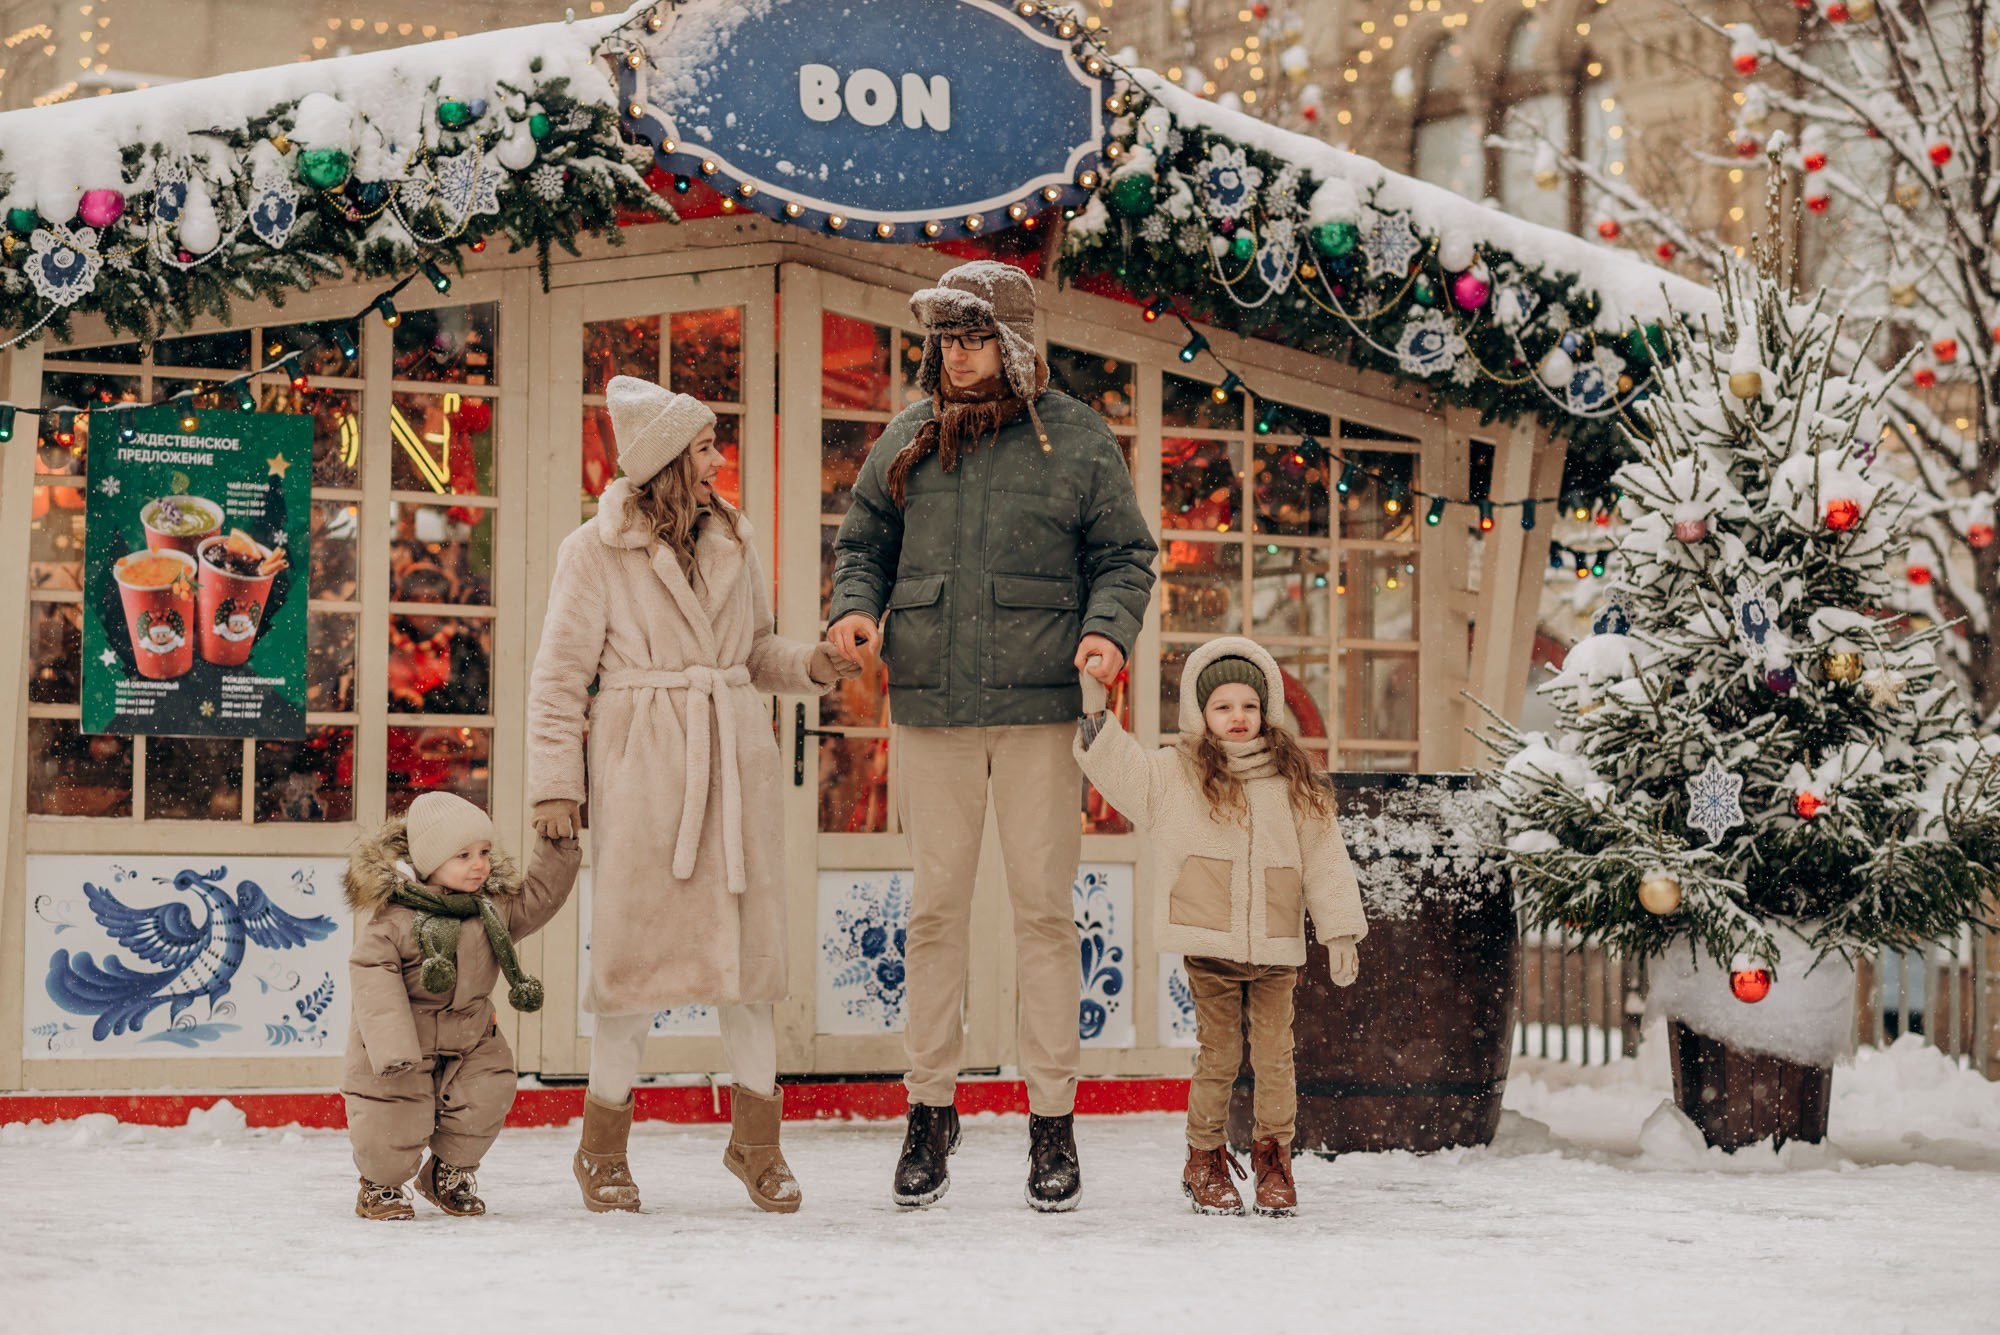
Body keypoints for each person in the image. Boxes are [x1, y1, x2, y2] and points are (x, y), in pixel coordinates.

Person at [827, 260, 1158, 1211]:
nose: (958, 356)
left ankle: (1052, 1119)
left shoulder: (1077, 438)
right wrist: (856, 608)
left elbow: (1125, 554)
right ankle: (929, 1109)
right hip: (930, 708)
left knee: (1044, 914)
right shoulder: (908, 437)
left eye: (975, 339)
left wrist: (1107, 631)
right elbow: (863, 542)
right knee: (935, 912)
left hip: (1040, 712)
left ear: (1011, 343)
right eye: (948, 340)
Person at [529, 375, 860, 1215]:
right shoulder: (593, 550)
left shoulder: (733, 539)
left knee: (747, 971)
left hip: (737, 774)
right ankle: (601, 1150)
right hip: (645, 775)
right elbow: (559, 680)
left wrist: (811, 665)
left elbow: (751, 653)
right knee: (630, 969)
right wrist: (555, 788)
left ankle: (758, 1144)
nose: (718, 460)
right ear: (670, 458)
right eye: (707, 447)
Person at [1072, 636, 1367, 1217]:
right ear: (1200, 712)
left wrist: (1338, 929)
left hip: (1276, 945)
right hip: (1210, 945)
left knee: (1276, 1059)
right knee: (1221, 1056)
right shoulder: (1176, 774)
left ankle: (1274, 1159)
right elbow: (1121, 769)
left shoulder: (1293, 779)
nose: (1238, 716)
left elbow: (1325, 856)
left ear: (1267, 710)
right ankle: (1203, 1158)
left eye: (1249, 706)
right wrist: (1095, 709)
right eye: (1223, 706)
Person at [342, 790, 582, 1221]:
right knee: (393, 1116)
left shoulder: (491, 909)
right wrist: (392, 1047)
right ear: (430, 862)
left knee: (486, 1094)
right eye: (464, 855)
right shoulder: (394, 920)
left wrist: (557, 847)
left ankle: (446, 1173)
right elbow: (373, 978)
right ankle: (380, 1185)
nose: (480, 865)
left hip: (471, 1034)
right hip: (402, 1039)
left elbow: (540, 897)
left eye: (485, 852)